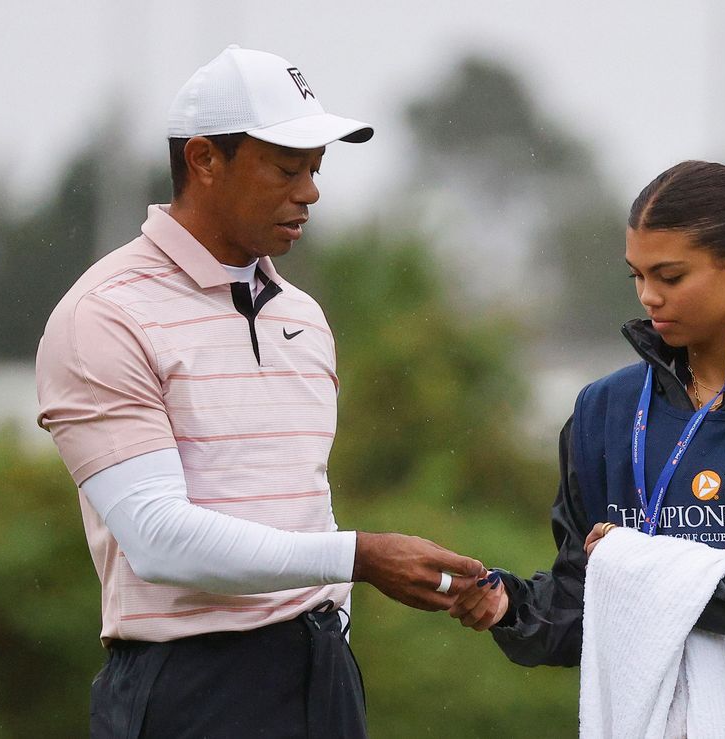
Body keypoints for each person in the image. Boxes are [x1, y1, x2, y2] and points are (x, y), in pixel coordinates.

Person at [35, 46, 483, 739]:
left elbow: (306, 497)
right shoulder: (105, 313)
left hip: (321, 671)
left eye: (316, 168)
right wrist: (359, 555)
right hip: (191, 686)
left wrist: (334, 610)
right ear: (206, 160)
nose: (310, 191)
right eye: (286, 166)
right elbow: (157, 539)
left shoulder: (301, 315)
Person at [451, 160, 725, 738]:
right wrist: (509, 606)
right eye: (636, 277)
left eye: (670, 277)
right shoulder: (606, 410)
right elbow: (586, 602)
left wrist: (636, 568)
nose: (649, 297)